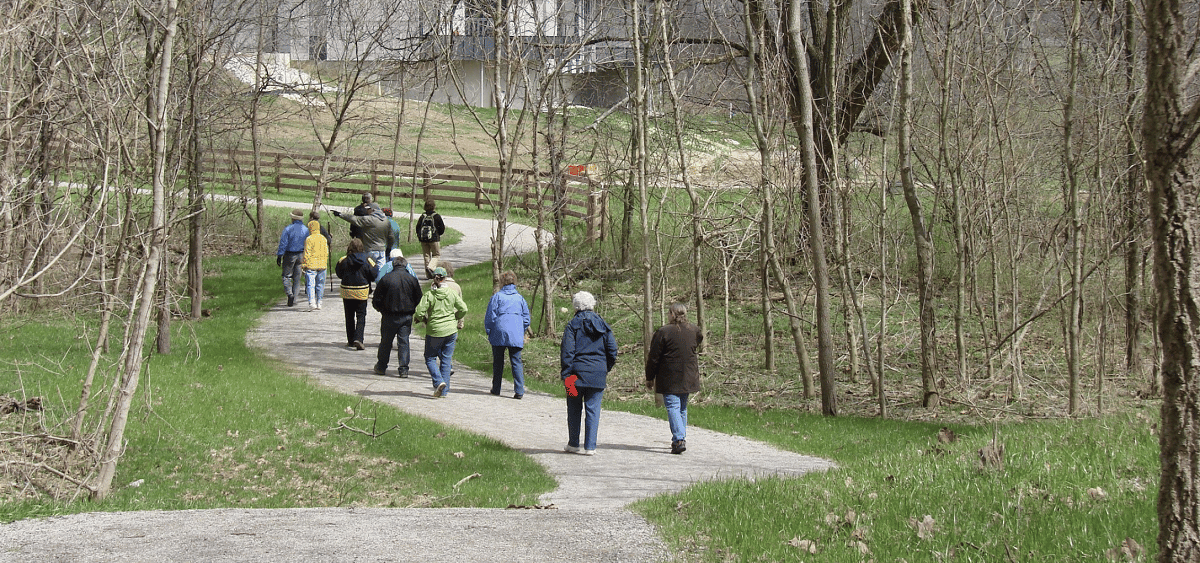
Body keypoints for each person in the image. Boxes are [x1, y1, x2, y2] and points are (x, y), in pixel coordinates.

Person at [560, 291, 617, 456]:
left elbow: (567, 352)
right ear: (592, 305)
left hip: (573, 377)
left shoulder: (572, 325)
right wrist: (605, 368)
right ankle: (590, 446)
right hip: (597, 374)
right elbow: (612, 350)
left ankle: (573, 443)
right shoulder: (603, 325)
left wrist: (566, 374)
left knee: (573, 408)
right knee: (593, 409)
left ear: (575, 306)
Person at [645, 302, 703, 454]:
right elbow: (698, 341)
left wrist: (649, 377)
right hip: (689, 375)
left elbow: (654, 357)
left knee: (673, 406)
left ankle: (678, 439)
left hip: (669, 375)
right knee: (682, 408)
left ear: (672, 314)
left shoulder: (663, 332)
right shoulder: (694, 330)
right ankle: (680, 437)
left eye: (668, 313)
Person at [413, 267, 468, 398]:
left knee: (430, 358)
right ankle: (444, 392)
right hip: (451, 331)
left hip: (435, 331)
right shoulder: (451, 293)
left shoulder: (429, 295)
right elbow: (464, 308)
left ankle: (439, 381)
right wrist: (455, 317)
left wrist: (422, 319)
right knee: (446, 360)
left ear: (434, 279)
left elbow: (419, 312)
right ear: (445, 278)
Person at [372, 256, 422, 378]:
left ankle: (381, 366)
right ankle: (403, 369)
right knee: (404, 342)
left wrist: (381, 310)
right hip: (406, 316)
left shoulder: (386, 279)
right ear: (405, 266)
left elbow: (376, 300)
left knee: (386, 342)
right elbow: (419, 298)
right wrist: (412, 309)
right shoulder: (412, 279)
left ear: (393, 265)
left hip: (389, 315)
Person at [484, 271, 531, 399]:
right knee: (516, 361)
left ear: (502, 282)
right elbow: (526, 318)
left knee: (498, 361)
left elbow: (490, 316)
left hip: (499, 331)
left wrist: (489, 330)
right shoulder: (520, 298)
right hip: (515, 332)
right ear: (514, 282)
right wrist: (521, 329)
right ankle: (519, 390)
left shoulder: (497, 297)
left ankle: (496, 388)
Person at [335, 238, 378, 350]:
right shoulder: (367, 260)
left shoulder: (343, 260)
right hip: (361, 291)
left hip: (347, 291)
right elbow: (374, 274)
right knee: (361, 315)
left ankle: (350, 340)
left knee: (349, 316)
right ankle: (358, 339)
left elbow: (339, 274)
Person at [333, 202, 390, 268]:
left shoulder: (369, 220)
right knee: (381, 272)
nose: (367, 211)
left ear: (373, 210)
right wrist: (388, 247)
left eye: (368, 209)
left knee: (368, 269)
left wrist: (340, 214)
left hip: (370, 250)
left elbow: (354, 219)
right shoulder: (386, 221)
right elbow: (390, 236)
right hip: (382, 250)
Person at [276, 209, 308, 307]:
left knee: (286, 276)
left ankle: (289, 294)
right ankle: (294, 299)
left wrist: (279, 255)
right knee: (297, 278)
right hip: (301, 254)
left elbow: (283, 243)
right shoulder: (306, 229)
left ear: (293, 218)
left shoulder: (288, 229)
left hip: (290, 254)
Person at [300, 219, 329, 311]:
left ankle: (312, 302)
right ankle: (319, 302)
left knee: (310, 284)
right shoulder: (323, 239)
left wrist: (304, 264)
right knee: (320, 284)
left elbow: (307, 252)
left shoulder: (309, 239)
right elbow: (326, 252)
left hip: (311, 265)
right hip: (322, 265)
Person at [415, 199, 446, 278]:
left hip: (423, 239)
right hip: (434, 239)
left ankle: (428, 275)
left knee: (426, 256)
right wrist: (438, 234)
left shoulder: (422, 216)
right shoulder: (436, 216)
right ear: (434, 206)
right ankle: (431, 267)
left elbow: (417, 227)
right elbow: (442, 228)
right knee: (436, 255)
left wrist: (420, 236)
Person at [434, 261, 465, 331]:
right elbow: (461, 305)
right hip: (452, 320)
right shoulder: (456, 286)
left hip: (437, 320)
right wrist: (461, 322)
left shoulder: (435, 285)